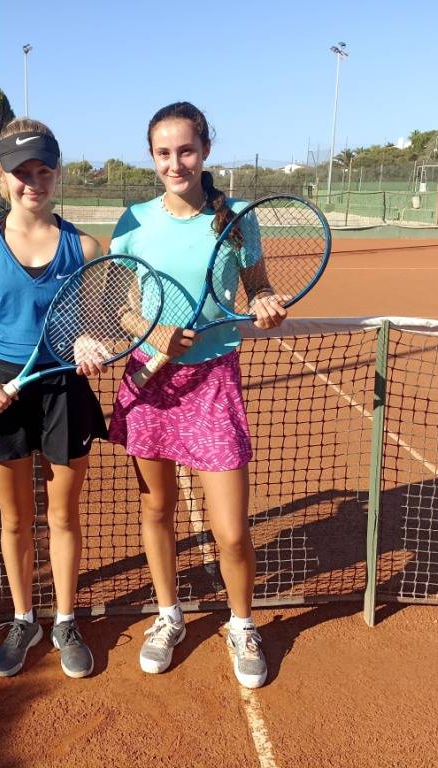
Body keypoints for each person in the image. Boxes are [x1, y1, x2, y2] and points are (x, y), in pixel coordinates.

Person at [108, 102, 287, 689]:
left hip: (212, 379)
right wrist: (152, 330)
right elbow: (121, 303)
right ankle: (168, 613)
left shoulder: (237, 217)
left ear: (205, 150)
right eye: (163, 153)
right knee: (156, 509)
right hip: (150, 378)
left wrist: (263, 301)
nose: (174, 163)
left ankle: (241, 623)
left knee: (231, 529)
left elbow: (256, 285)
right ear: (152, 157)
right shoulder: (132, 222)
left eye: (185, 150)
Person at [0, 118, 108, 679]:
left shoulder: (84, 247)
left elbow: (93, 321)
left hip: (63, 388)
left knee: (63, 517)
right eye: (20, 172)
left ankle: (63, 620)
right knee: (14, 522)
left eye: (42, 170)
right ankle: (23, 618)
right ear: (0, 175)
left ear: (56, 173)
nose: (32, 182)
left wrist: (88, 338)